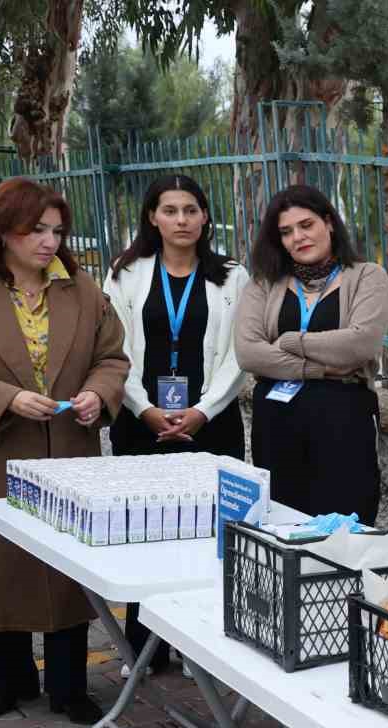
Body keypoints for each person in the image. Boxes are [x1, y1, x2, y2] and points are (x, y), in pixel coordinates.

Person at [0, 178, 131, 725]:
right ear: (2, 229)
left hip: (69, 451)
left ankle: (69, 687)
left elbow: (112, 359)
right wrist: (5, 397)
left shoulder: (81, 290)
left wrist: (96, 395)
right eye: (36, 230)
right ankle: (11, 683)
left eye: (57, 231)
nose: (50, 242)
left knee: (66, 571)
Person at [104, 174, 250, 676]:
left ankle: (197, 647)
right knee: (146, 533)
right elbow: (113, 349)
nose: (181, 220)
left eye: (191, 209)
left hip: (211, 423)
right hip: (140, 421)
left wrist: (203, 410)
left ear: (206, 217)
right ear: (153, 217)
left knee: (205, 537)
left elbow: (239, 354)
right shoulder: (126, 272)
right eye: (170, 210)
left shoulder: (233, 276)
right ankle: (142, 649)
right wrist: (144, 407)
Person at [235, 184, 388, 524]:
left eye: (306, 225)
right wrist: (322, 368)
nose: (298, 237)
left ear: (329, 223)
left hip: (343, 423)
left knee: (343, 537)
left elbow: (359, 345)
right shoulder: (264, 283)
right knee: (282, 533)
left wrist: (291, 340)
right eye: (286, 232)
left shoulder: (367, 277)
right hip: (275, 425)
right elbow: (249, 353)